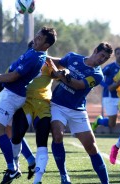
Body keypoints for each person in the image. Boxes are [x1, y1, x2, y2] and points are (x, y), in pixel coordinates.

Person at [0, 26, 57, 184]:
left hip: (12, 95)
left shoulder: (36, 58)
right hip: (12, 93)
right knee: (10, 131)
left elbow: (14, 76)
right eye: (37, 35)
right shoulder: (34, 51)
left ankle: (12, 168)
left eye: (40, 38)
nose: (36, 39)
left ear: (46, 45)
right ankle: (29, 161)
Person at [47, 42, 113, 184]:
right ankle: (64, 176)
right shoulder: (72, 57)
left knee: (91, 146)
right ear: (95, 50)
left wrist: (63, 75)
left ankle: (105, 182)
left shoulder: (97, 75)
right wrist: (42, 55)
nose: (102, 60)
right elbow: (56, 62)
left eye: (105, 59)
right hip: (57, 105)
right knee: (58, 135)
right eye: (102, 55)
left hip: (77, 110)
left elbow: (78, 85)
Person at [10, 57, 62, 184]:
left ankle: (37, 180)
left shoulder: (48, 62)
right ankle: (15, 165)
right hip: (25, 103)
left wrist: (64, 72)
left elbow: (58, 73)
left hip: (43, 106)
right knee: (16, 136)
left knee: (42, 142)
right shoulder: (22, 61)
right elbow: (9, 76)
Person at [91, 47, 120, 153]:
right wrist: (107, 86)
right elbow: (99, 76)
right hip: (110, 97)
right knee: (112, 124)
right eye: (118, 53)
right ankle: (99, 121)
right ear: (115, 55)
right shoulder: (110, 67)